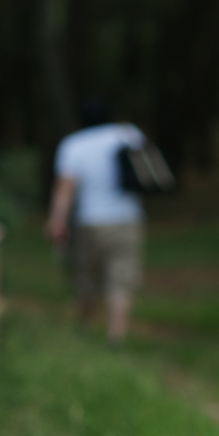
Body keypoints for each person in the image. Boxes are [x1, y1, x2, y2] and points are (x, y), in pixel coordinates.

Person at [45, 100, 147, 345]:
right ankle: (116, 337)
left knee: (86, 278)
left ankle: (86, 329)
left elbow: (65, 189)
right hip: (126, 217)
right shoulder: (128, 134)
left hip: (88, 221)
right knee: (120, 278)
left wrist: (57, 220)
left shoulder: (74, 145)